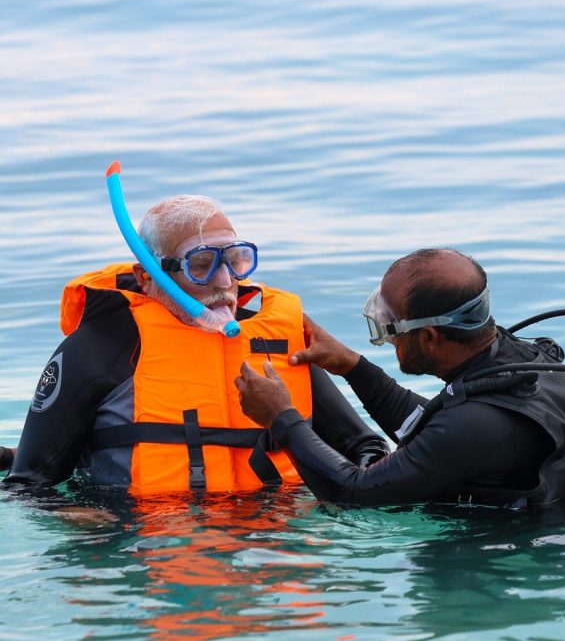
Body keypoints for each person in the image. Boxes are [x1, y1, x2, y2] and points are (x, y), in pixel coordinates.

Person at [3, 195, 388, 493]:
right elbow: (28, 486)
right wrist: (87, 526)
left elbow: (366, 446)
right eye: (200, 265)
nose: (225, 282)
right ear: (147, 276)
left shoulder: (274, 340)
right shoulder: (100, 348)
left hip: (272, 541)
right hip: (145, 544)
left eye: (236, 260)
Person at [235, 247, 565, 508]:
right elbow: (433, 429)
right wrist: (351, 366)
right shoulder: (528, 362)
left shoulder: (476, 424)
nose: (388, 339)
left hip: (503, 567)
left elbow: (354, 493)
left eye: (391, 328)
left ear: (429, 338)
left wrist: (281, 418)